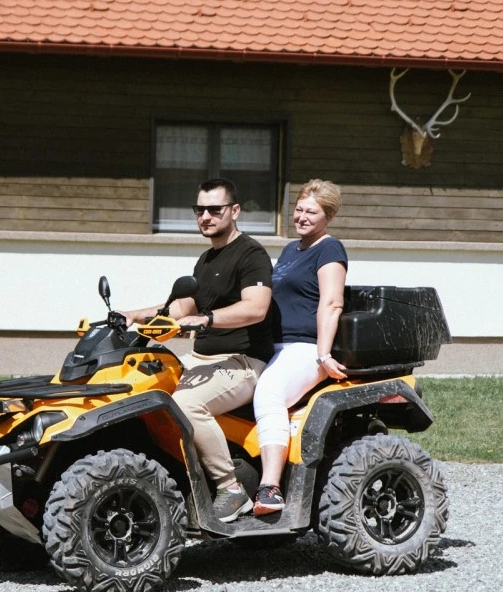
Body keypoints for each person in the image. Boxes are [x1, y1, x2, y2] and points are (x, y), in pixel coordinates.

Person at [121, 178, 275, 522]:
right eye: (199, 210)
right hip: (202, 358)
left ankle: (231, 488)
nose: (205, 216)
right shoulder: (206, 259)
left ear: (234, 211)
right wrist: (133, 315)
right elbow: (180, 308)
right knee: (142, 386)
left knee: (186, 404)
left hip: (242, 361)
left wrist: (206, 320)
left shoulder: (251, 254)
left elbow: (256, 308)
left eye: (214, 209)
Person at [252, 179, 349, 516]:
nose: (302, 217)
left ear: (329, 216)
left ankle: (270, 488)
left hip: (304, 348)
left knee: (270, 394)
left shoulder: (330, 249)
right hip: (275, 346)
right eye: (299, 209)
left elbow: (332, 302)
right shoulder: (291, 250)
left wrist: (323, 355)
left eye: (312, 212)